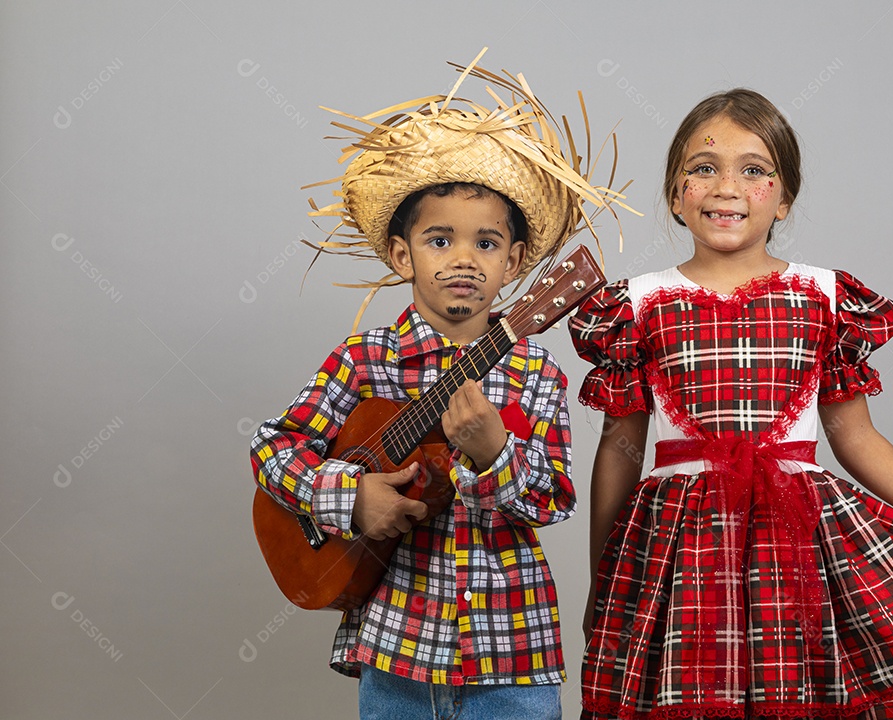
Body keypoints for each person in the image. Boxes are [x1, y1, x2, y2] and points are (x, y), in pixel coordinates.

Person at [569, 88, 893, 720]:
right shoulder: (636, 305)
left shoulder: (824, 296)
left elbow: (855, 437)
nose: (727, 187)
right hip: (682, 551)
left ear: (783, 199)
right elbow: (620, 449)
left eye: (754, 170)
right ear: (675, 194)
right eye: (704, 168)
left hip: (800, 542)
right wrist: (604, 575)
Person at [250, 50, 628, 720]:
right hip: (396, 646)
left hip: (512, 649)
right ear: (403, 254)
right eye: (439, 240)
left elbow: (554, 500)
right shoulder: (367, 359)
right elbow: (271, 448)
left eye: (486, 244)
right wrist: (350, 497)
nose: (463, 259)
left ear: (515, 263)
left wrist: (494, 453)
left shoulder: (537, 374)